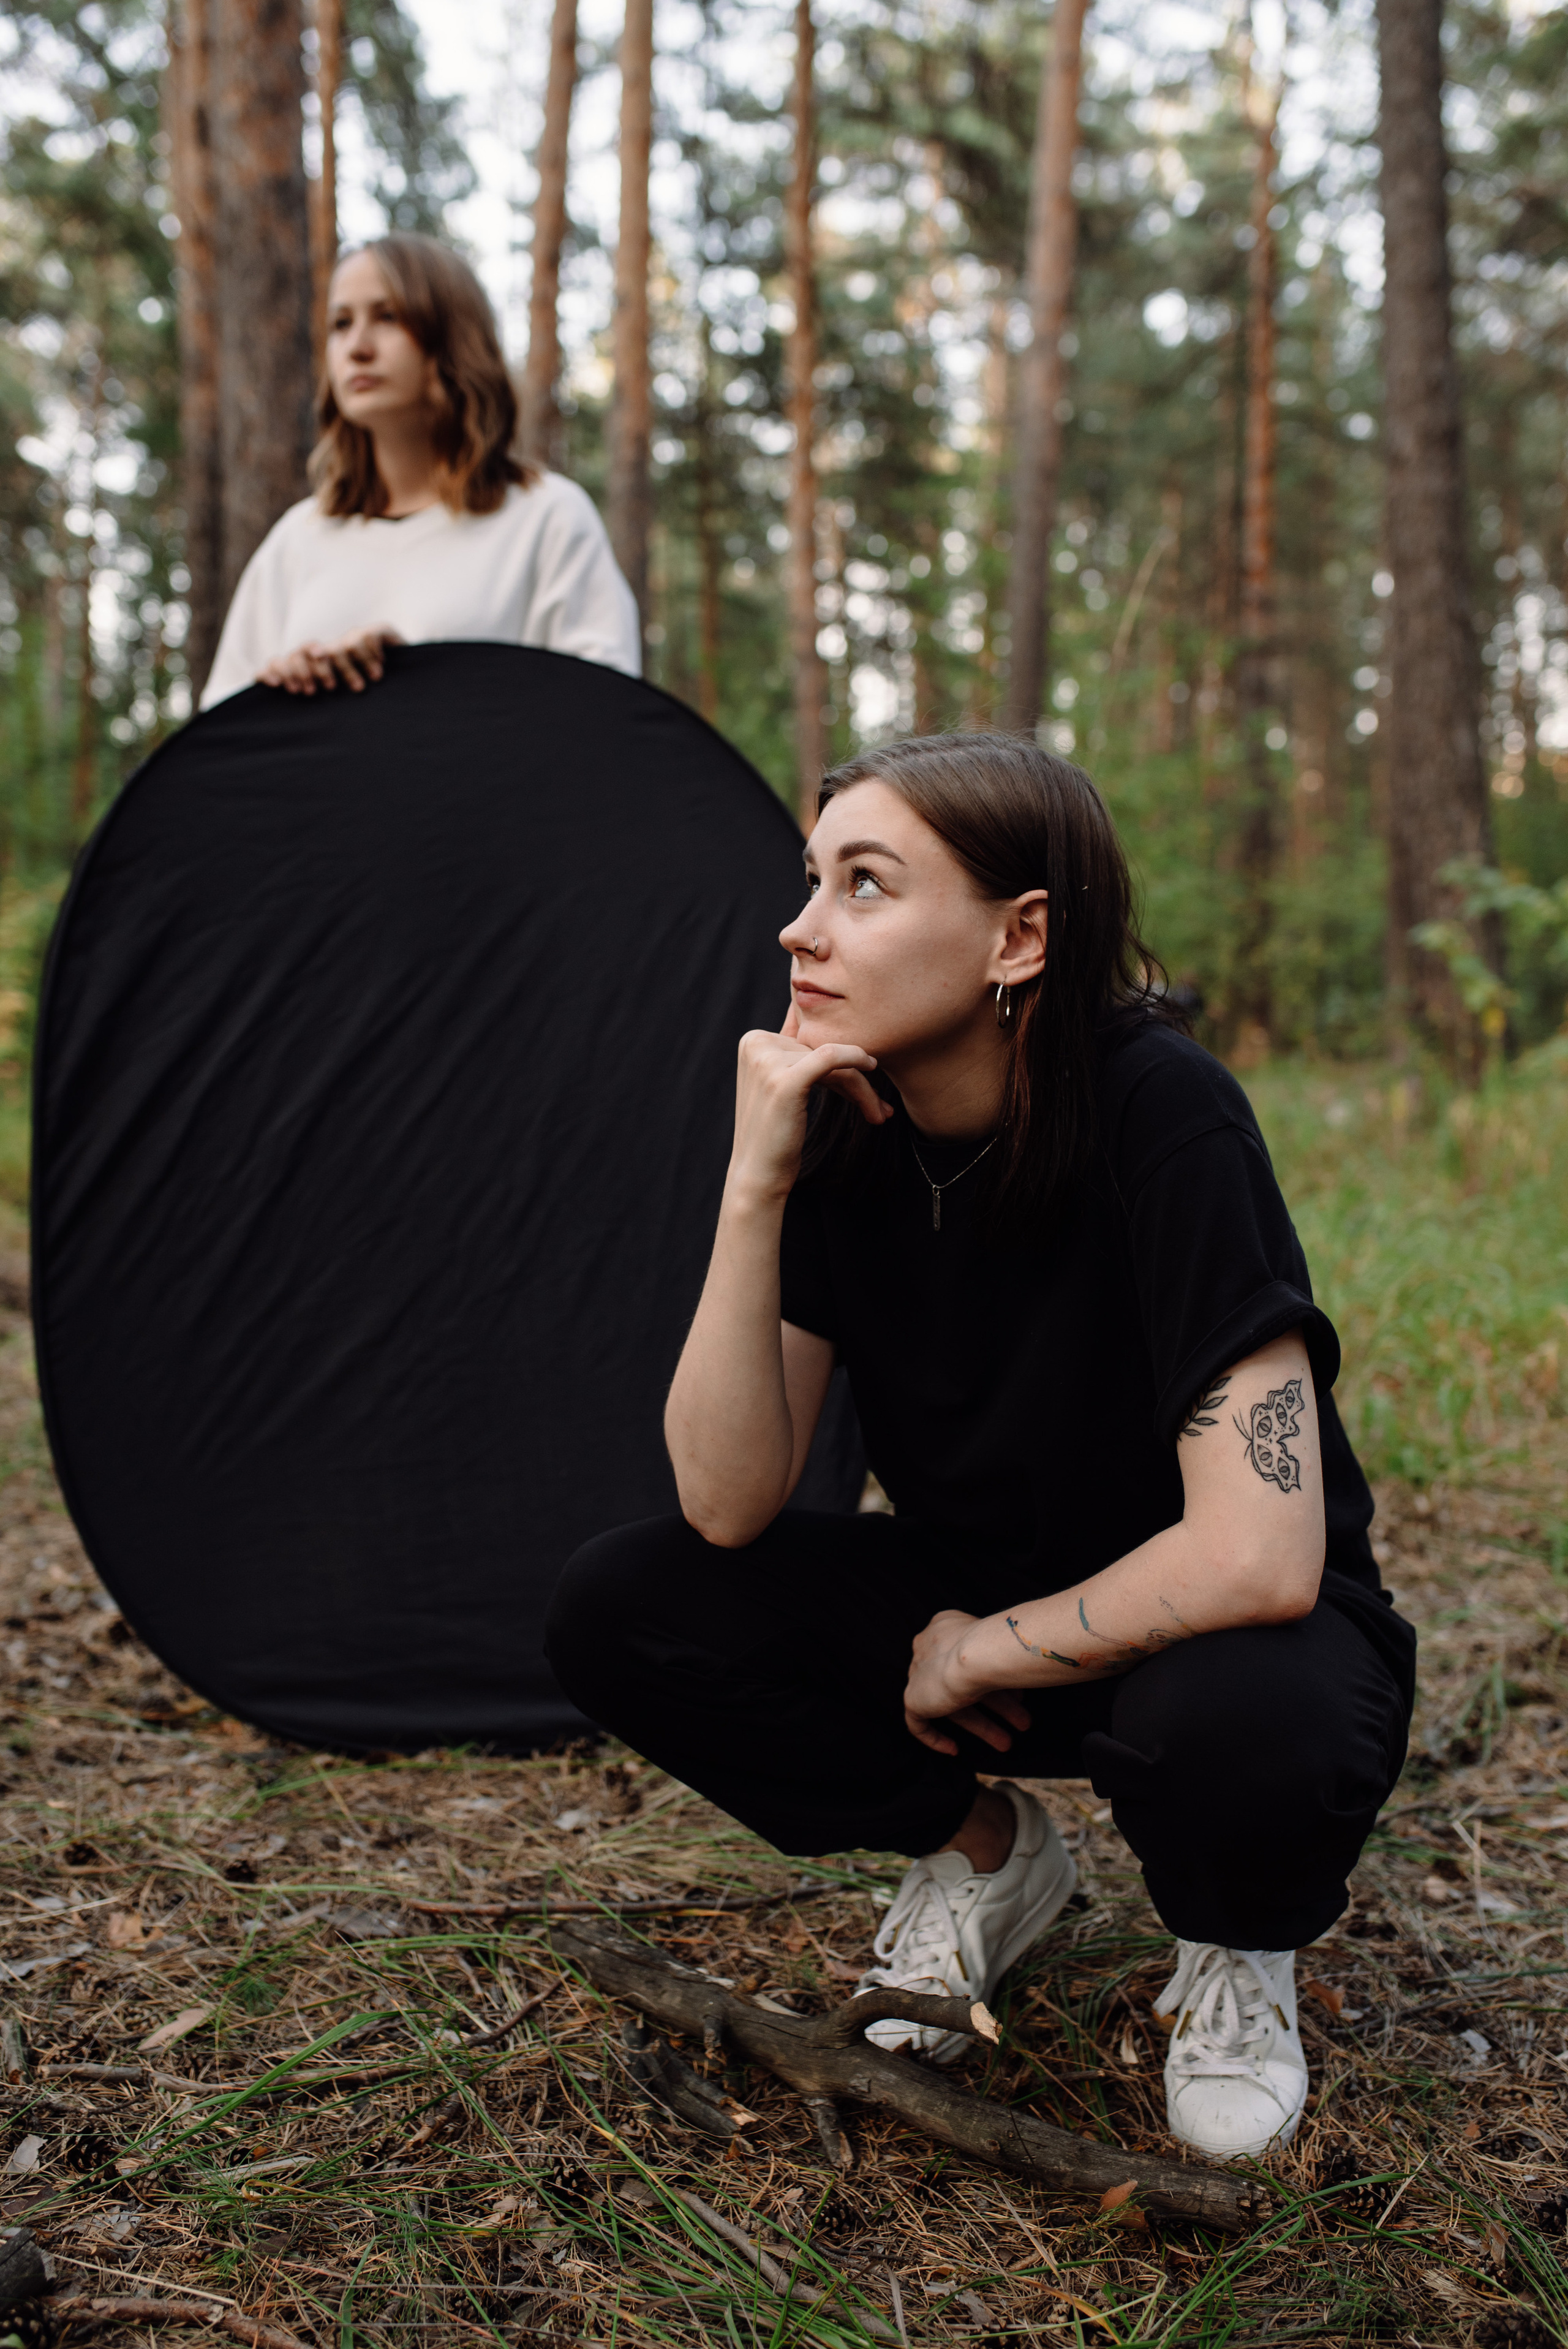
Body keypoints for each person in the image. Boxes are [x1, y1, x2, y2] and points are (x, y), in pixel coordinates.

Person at [545, 732, 1415, 2162]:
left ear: (1019, 935)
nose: (800, 925)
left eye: (866, 883)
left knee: (1246, 1723)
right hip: (966, 1606)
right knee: (623, 1604)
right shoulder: (844, 1129)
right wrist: (753, 1180)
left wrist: (988, 1646)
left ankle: (1233, 1941)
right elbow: (722, 1500)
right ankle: (985, 1857)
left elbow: (1259, 1551)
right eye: (811, 879)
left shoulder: (1162, 1110)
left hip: (1215, 1630)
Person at [201, 235, 640, 708]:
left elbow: (605, 714)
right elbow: (222, 744)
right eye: (341, 324)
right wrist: (277, 693)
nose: (357, 347)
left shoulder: (546, 518)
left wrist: (420, 682)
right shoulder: (298, 542)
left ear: (452, 338)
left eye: (388, 317)